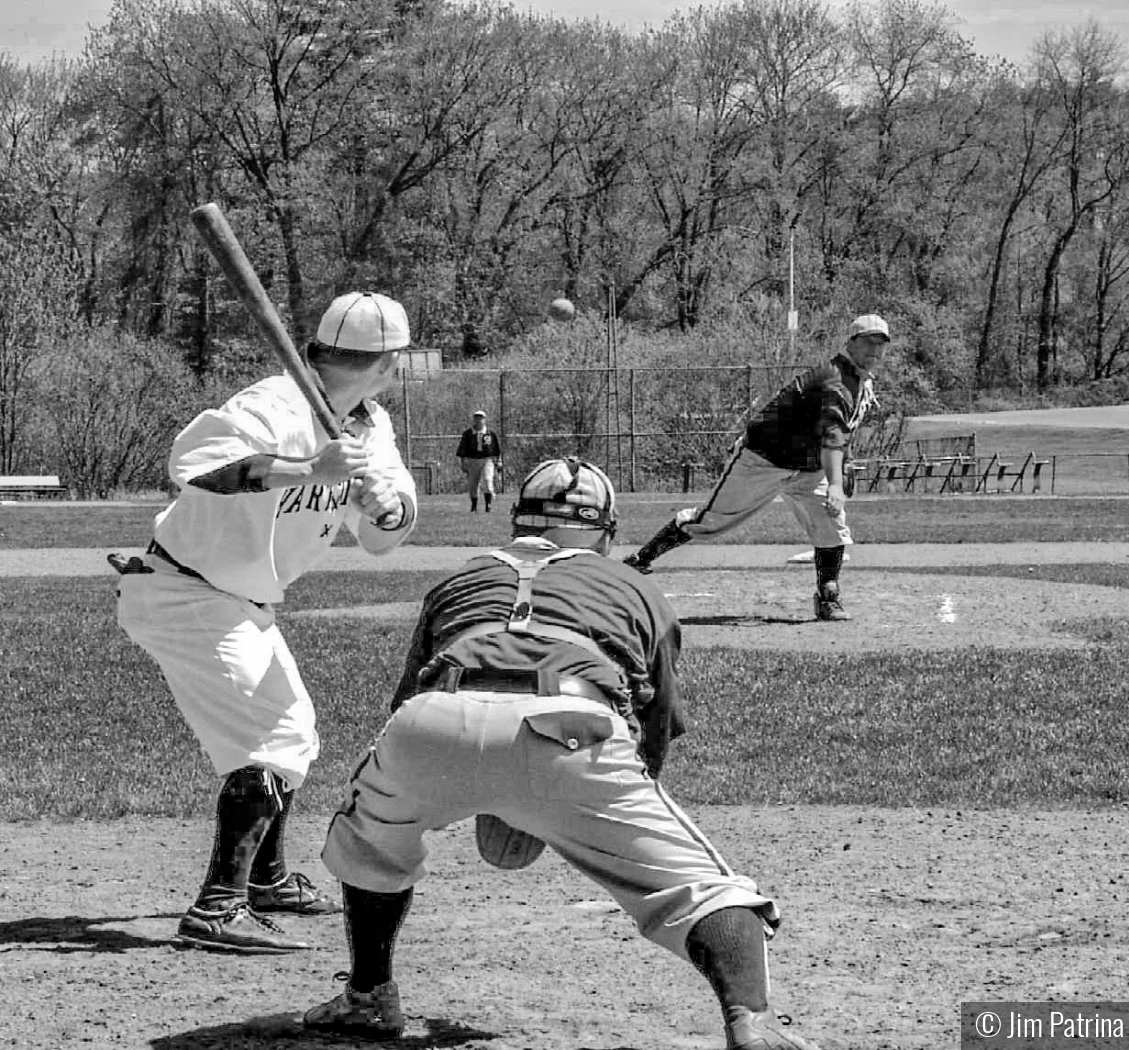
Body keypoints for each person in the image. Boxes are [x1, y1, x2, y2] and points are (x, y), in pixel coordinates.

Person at [302, 457, 823, 1050]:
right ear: (605, 532)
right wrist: (551, 795)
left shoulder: (459, 579)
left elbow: (405, 704)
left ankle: (367, 998)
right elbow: (650, 733)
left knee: (369, 845)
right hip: (574, 723)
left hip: (432, 720)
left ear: (518, 523)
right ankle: (750, 1022)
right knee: (705, 891)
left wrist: (480, 783)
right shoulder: (633, 586)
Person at [113, 291, 419, 953]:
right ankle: (217, 911)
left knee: (294, 734)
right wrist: (305, 468)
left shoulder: (368, 425)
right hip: (184, 592)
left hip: (237, 599)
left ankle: (266, 879)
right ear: (387, 361)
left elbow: (383, 531)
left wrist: (384, 504)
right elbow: (191, 466)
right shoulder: (271, 406)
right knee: (273, 740)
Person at [623, 314, 890, 622]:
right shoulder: (836, 379)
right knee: (710, 520)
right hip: (765, 460)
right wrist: (834, 484)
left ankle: (828, 595)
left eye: (881, 343)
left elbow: (843, 431)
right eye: (867, 342)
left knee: (831, 524)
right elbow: (833, 433)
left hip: (808, 466)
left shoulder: (858, 380)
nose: (875, 349)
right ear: (850, 344)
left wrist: (842, 467)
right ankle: (639, 561)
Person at [455, 409, 502, 512]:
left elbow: (496, 449)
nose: (478, 420)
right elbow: (462, 450)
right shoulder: (468, 434)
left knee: (487, 480)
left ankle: (488, 505)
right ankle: (474, 506)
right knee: (473, 484)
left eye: (481, 418)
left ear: (484, 420)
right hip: (472, 460)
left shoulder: (490, 433)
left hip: (487, 460)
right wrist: (463, 463)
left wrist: (499, 461)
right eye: (476, 418)